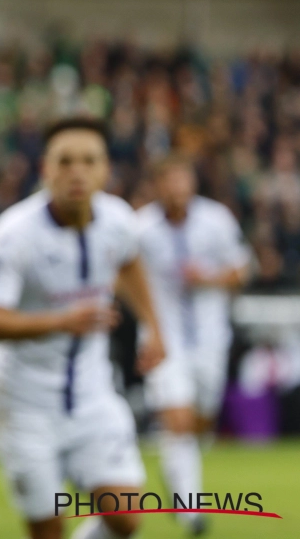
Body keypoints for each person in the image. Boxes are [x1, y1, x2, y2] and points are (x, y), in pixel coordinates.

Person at [0, 116, 166, 539]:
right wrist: (62, 321)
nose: (77, 171)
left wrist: (154, 327)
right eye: (65, 161)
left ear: (105, 169)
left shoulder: (117, 220)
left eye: (89, 161)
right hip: (24, 403)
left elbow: (130, 263)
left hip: (94, 396)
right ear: (45, 169)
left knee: (125, 517)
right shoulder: (13, 233)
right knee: (47, 529)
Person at [137, 155, 250, 536]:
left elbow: (240, 271)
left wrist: (209, 279)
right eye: (169, 180)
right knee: (178, 419)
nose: (177, 187)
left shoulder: (216, 220)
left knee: (200, 420)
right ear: (158, 185)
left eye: (182, 179)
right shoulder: (142, 229)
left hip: (209, 339)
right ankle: (190, 510)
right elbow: (123, 273)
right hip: (164, 340)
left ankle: (176, 476)